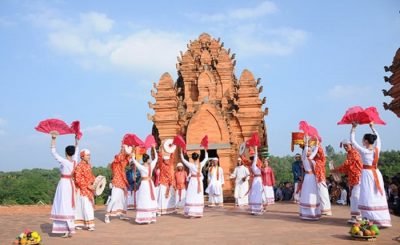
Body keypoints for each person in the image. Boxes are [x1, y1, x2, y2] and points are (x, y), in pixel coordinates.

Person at [350, 122, 391, 227]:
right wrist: (373, 127)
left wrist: (353, 128)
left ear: (366, 141)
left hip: (368, 174)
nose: (362, 141)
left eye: (363, 139)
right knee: (377, 195)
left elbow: (352, 142)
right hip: (376, 173)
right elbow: (379, 139)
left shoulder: (364, 151)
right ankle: (381, 220)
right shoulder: (377, 149)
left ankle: (370, 219)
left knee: (368, 195)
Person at [50, 133, 79, 238]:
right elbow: (77, 150)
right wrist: (76, 140)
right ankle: (69, 228)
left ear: (66, 152)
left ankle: (66, 229)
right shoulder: (75, 161)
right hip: (71, 184)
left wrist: (53, 139)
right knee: (68, 205)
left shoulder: (64, 161)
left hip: (64, 184)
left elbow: (53, 152)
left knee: (62, 204)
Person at [331, 138, 363, 223]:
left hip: (358, 177)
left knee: (356, 196)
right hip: (352, 178)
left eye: (346, 146)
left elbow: (347, 165)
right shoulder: (349, 154)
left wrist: (336, 170)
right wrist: (337, 170)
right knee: (353, 197)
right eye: (344, 146)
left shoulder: (354, 153)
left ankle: (357, 216)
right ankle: (355, 216)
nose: (345, 147)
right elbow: (347, 168)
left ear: (351, 145)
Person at [131, 146, 158, 224]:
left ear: (143, 160)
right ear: (148, 159)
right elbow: (156, 158)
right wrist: (153, 148)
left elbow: (134, 161)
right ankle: (151, 217)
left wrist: (133, 153)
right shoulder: (151, 166)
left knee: (144, 199)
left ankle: (145, 217)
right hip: (150, 184)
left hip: (144, 185)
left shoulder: (142, 167)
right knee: (150, 199)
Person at [105, 146, 131, 223]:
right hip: (116, 182)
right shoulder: (115, 163)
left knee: (123, 200)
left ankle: (122, 214)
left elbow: (127, 159)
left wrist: (130, 151)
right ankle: (107, 215)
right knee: (113, 200)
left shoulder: (122, 163)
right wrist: (123, 150)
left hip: (122, 183)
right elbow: (120, 157)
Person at [180, 148, 208, 218]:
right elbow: (206, 158)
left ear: (192, 158)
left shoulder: (191, 165)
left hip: (193, 181)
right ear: (198, 157)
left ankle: (192, 212)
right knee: (198, 196)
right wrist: (205, 150)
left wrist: (181, 152)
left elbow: (183, 160)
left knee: (192, 195)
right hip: (199, 182)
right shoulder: (200, 164)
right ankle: (198, 212)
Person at [299, 137, 321, 220]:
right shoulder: (304, 159)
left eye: (310, 151)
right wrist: (307, 143)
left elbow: (315, 151)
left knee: (313, 194)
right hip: (308, 178)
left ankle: (314, 213)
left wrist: (317, 145)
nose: (309, 152)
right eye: (308, 150)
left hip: (313, 178)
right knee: (307, 194)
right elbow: (305, 151)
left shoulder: (311, 159)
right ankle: (306, 213)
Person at [74, 149, 95, 231]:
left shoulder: (89, 165)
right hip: (82, 189)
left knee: (87, 206)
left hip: (89, 189)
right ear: (82, 156)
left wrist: (96, 182)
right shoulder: (79, 166)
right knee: (84, 207)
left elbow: (91, 176)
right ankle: (82, 224)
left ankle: (86, 224)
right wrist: (87, 186)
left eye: (89, 155)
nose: (89, 157)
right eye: (87, 155)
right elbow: (77, 179)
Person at [311, 143, 332, 216]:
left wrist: (317, 145)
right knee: (319, 194)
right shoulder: (315, 161)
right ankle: (322, 209)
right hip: (317, 179)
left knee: (323, 194)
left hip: (321, 178)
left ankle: (326, 210)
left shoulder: (321, 160)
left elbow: (321, 153)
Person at [248, 147, 265, 215]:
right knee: (257, 194)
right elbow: (256, 158)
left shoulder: (256, 166)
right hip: (257, 180)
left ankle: (255, 209)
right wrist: (256, 149)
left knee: (256, 194)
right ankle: (256, 209)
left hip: (257, 180)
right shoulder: (253, 165)